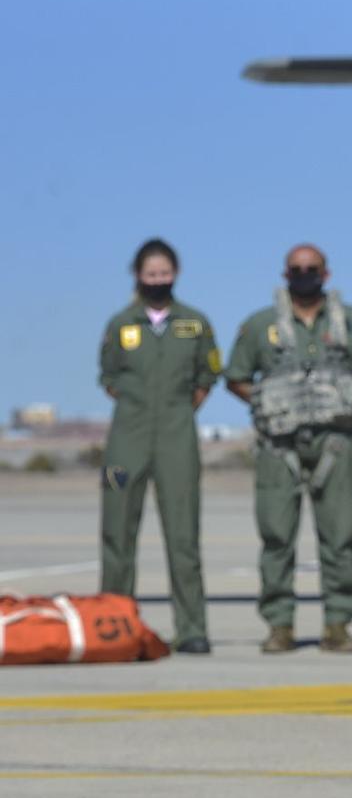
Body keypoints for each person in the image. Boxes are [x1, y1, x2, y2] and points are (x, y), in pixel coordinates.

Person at [224, 244, 352, 655]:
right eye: (297, 269)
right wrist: (266, 403)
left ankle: (338, 623)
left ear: (327, 273)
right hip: (277, 447)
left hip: (334, 444)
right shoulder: (259, 325)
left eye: (312, 268)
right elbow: (235, 376)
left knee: (340, 535)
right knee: (276, 535)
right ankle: (279, 625)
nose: (304, 275)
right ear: (285, 275)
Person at [97, 238, 220, 655]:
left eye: (164, 273)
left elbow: (206, 378)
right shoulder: (121, 324)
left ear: (176, 274)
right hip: (127, 438)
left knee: (183, 535)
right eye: (150, 274)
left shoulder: (195, 323)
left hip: (176, 436)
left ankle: (192, 628)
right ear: (137, 276)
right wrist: (139, 411)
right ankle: (112, 626)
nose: (157, 280)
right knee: (117, 532)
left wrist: (175, 413)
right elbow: (109, 378)